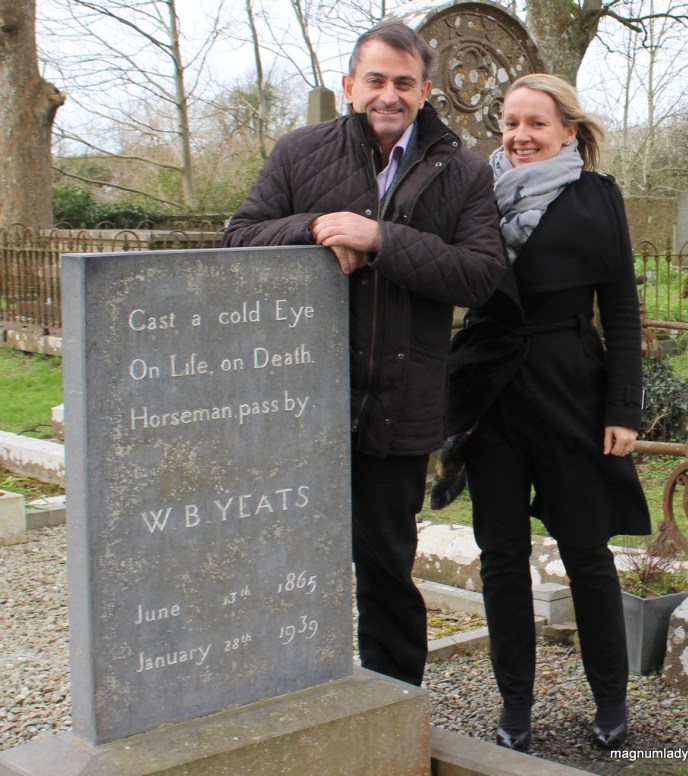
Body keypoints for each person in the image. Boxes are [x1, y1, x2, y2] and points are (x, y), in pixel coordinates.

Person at [223, 20, 506, 687]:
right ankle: (289, 695)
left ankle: (394, 703)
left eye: (404, 82)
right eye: (375, 80)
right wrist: (315, 227)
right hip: (302, 405)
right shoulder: (299, 153)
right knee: (288, 563)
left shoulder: (463, 172)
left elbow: (479, 273)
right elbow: (238, 237)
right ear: (350, 86)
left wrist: (379, 236)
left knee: (385, 568)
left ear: (425, 91)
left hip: (399, 408)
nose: (389, 94)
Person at [433, 74, 651, 750]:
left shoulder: (597, 197)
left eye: (535, 124)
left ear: (567, 131)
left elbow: (618, 306)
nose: (520, 136)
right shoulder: (473, 196)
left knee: (587, 552)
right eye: (510, 124)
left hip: (569, 393)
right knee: (499, 555)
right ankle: (515, 707)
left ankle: (610, 700)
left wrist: (623, 407)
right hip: (491, 398)